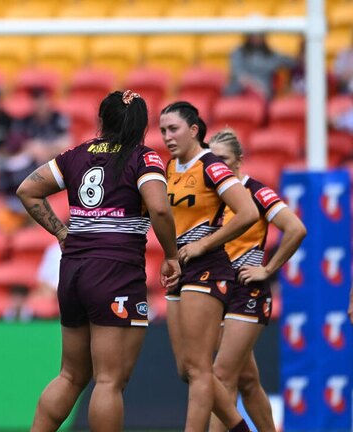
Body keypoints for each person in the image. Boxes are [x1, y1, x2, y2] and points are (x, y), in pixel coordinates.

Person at [16, 90, 181, 431]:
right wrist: (171, 255)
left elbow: (27, 191)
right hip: (115, 272)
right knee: (109, 380)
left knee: (71, 375)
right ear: (140, 126)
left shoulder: (75, 155)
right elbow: (161, 208)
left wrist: (62, 234)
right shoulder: (144, 159)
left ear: (102, 121)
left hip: (74, 270)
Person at [159, 101, 259, 432]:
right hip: (179, 270)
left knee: (200, 368)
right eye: (162, 131)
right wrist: (170, 254)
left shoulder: (211, 166)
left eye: (173, 129)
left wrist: (203, 244)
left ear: (194, 130)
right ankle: (239, 428)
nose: (167, 137)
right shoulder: (169, 168)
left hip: (208, 267)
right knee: (185, 369)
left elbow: (247, 212)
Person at [207, 129, 307, 432]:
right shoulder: (208, 196)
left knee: (221, 376)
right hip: (216, 292)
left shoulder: (257, 192)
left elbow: (295, 229)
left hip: (247, 291)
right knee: (247, 380)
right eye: (212, 160)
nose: (217, 167)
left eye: (223, 159)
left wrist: (268, 268)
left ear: (239, 160)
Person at [224, 32, 296, 100]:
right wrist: (255, 86)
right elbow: (239, 74)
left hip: (263, 95)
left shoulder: (271, 55)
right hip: (240, 91)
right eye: (253, 33)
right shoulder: (239, 52)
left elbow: (293, 62)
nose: (256, 36)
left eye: (259, 34)